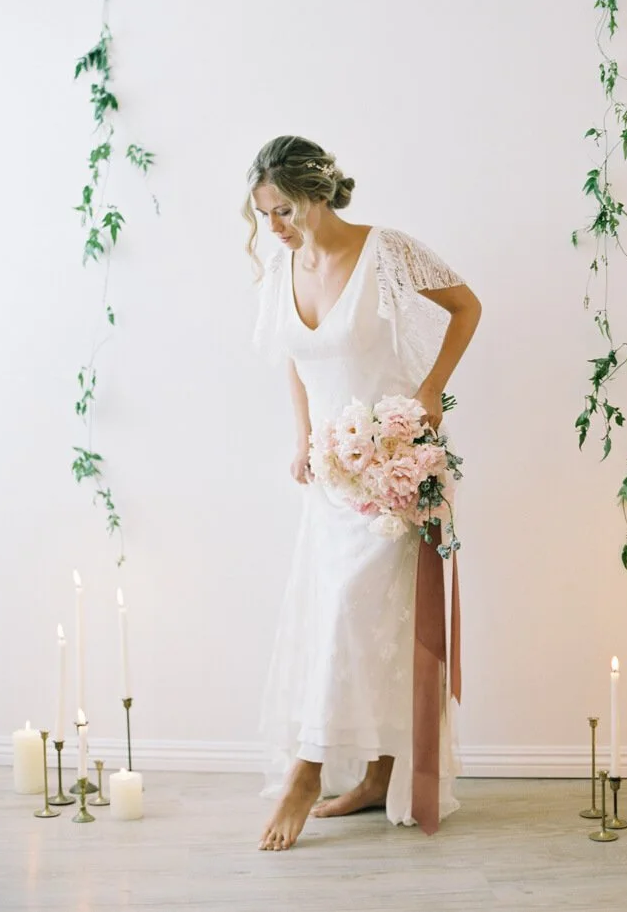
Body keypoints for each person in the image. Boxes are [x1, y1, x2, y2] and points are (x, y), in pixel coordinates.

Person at [244, 135, 482, 851]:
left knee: (362, 612)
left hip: (394, 468)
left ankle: (308, 770)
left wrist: (432, 390)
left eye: (284, 210)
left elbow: (466, 307)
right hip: (331, 474)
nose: (274, 227)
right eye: (263, 214)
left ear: (317, 194)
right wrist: (301, 438)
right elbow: (296, 358)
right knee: (345, 621)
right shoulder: (283, 267)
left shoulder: (389, 252)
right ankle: (378, 775)